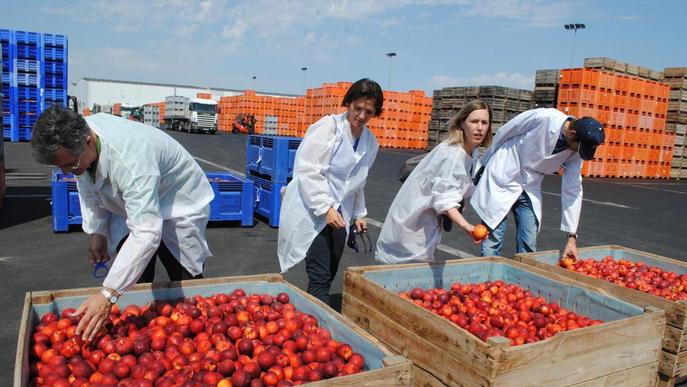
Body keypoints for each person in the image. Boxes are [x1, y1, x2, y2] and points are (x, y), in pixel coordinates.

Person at [31, 106, 214, 341]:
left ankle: (197, 330)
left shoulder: (131, 160)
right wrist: (97, 230)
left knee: (183, 276)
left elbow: (147, 232)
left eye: (70, 165)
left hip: (177, 202)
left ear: (87, 141)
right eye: (62, 166)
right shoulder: (79, 139)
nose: (67, 172)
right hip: (133, 200)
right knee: (134, 275)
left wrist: (108, 294)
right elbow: (85, 182)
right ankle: (139, 325)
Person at [278, 78, 383, 306]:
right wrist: (324, 207)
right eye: (358, 108)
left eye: (369, 112)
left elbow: (358, 181)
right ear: (348, 103)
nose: (362, 116)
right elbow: (308, 170)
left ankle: (310, 316)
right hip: (313, 209)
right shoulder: (329, 128)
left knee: (330, 271)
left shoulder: (370, 142)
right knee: (320, 276)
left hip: (339, 215)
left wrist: (359, 214)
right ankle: (317, 326)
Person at [470, 108, 605, 260]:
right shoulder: (544, 118)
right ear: (572, 134)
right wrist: (485, 162)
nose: (576, 153)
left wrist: (571, 238)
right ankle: (489, 278)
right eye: (577, 148)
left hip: (530, 185)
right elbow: (506, 131)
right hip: (504, 175)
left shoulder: (576, 153)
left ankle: (522, 279)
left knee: (529, 243)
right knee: (492, 240)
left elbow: (573, 191)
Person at [375, 100, 493, 264]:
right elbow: (445, 200)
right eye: (474, 121)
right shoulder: (453, 155)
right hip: (413, 223)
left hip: (425, 221)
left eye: (484, 122)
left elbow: (457, 186)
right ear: (462, 123)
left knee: (414, 277)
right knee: (404, 274)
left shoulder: (471, 153)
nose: (479, 127)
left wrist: (461, 199)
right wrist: (468, 228)